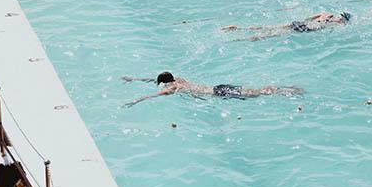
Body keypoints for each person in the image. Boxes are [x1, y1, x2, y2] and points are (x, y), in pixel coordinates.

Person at [123, 71, 303, 106]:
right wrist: (134, 79)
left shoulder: (172, 88)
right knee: (254, 91)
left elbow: (155, 94)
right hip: (218, 87)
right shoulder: (179, 79)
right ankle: (282, 89)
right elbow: (152, 80)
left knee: (256, 94)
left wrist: (136, 100)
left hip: (218, 93)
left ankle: (285, 91)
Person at [222, 12, 352, 39]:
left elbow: (309, 17)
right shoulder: (335, 23)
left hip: (300, 23)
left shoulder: (326, 13)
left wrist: (304, 21)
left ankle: (239, 28)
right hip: (304, 28)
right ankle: (249, 38)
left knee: (269, 27)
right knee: (274, 34)